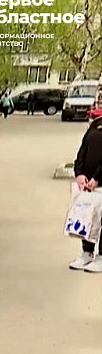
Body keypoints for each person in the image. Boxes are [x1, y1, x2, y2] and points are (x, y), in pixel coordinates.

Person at [69, 116, 102, 272]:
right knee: (87, 218)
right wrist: (80, 173)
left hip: (99, 182)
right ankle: (87, 253)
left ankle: (101, 256)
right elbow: (82, 152)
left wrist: (98, 178)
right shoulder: (95, 125)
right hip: (88, 184)